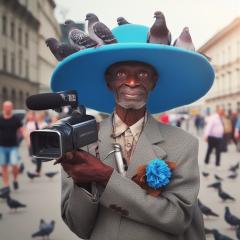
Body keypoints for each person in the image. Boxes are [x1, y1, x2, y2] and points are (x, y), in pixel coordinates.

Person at [49, 21, 214, 239]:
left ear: (154, 82)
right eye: (120, 74)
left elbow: (178, 218)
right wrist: (84, 183)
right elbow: (78, 226)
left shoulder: (183, 144)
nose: (132, 82)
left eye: (143, 75)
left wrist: (105, 177)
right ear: (109, 82)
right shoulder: (82, 143)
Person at [0, 101, 23, 193]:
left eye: (9, 107)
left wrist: (28, 140)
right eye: (6, 107)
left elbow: (22, 130)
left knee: (14, 165)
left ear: (11, 108)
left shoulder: (16, 119)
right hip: (2, 146)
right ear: (3, 107)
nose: (8, 108)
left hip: (13, 146)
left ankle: (15, 179)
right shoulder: (0, 119)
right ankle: (6, 185)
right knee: (4, 166)